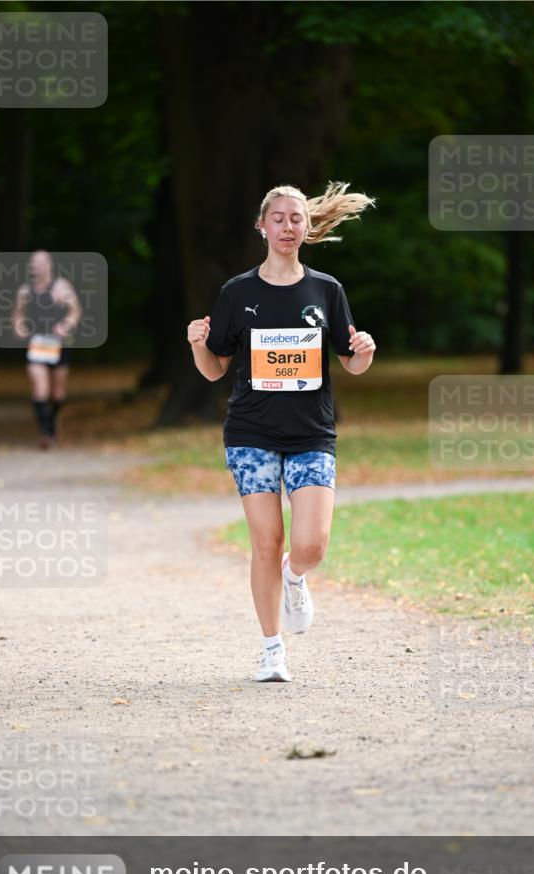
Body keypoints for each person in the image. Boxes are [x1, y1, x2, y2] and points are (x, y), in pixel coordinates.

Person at [187, 181, 377, 682]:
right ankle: (272, 649)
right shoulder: (238, 293)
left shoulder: (326, 290)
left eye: (297, 218)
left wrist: (364, 352)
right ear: (262, 226)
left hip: (312, 433)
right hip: (251, 433)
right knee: (266, 541)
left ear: (307, 227)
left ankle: (296, 578)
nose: (288, 226)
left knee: (310, 544)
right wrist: (197, 345)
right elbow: (214, 370)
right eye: (279, 218)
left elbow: (350, 362)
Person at [12, 250, 82, 448]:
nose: (36, 267)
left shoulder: (61, 287)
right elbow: (17, 315)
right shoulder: (25, 291)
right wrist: (20, 329)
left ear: (49, 264)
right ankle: (45, 434)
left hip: (59, 344)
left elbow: (75, 310)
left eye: (40, 263)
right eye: (33, 263)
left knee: (57, 394)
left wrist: (65, 325)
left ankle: (52, 424)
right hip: (37, 345)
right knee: (40, 389)